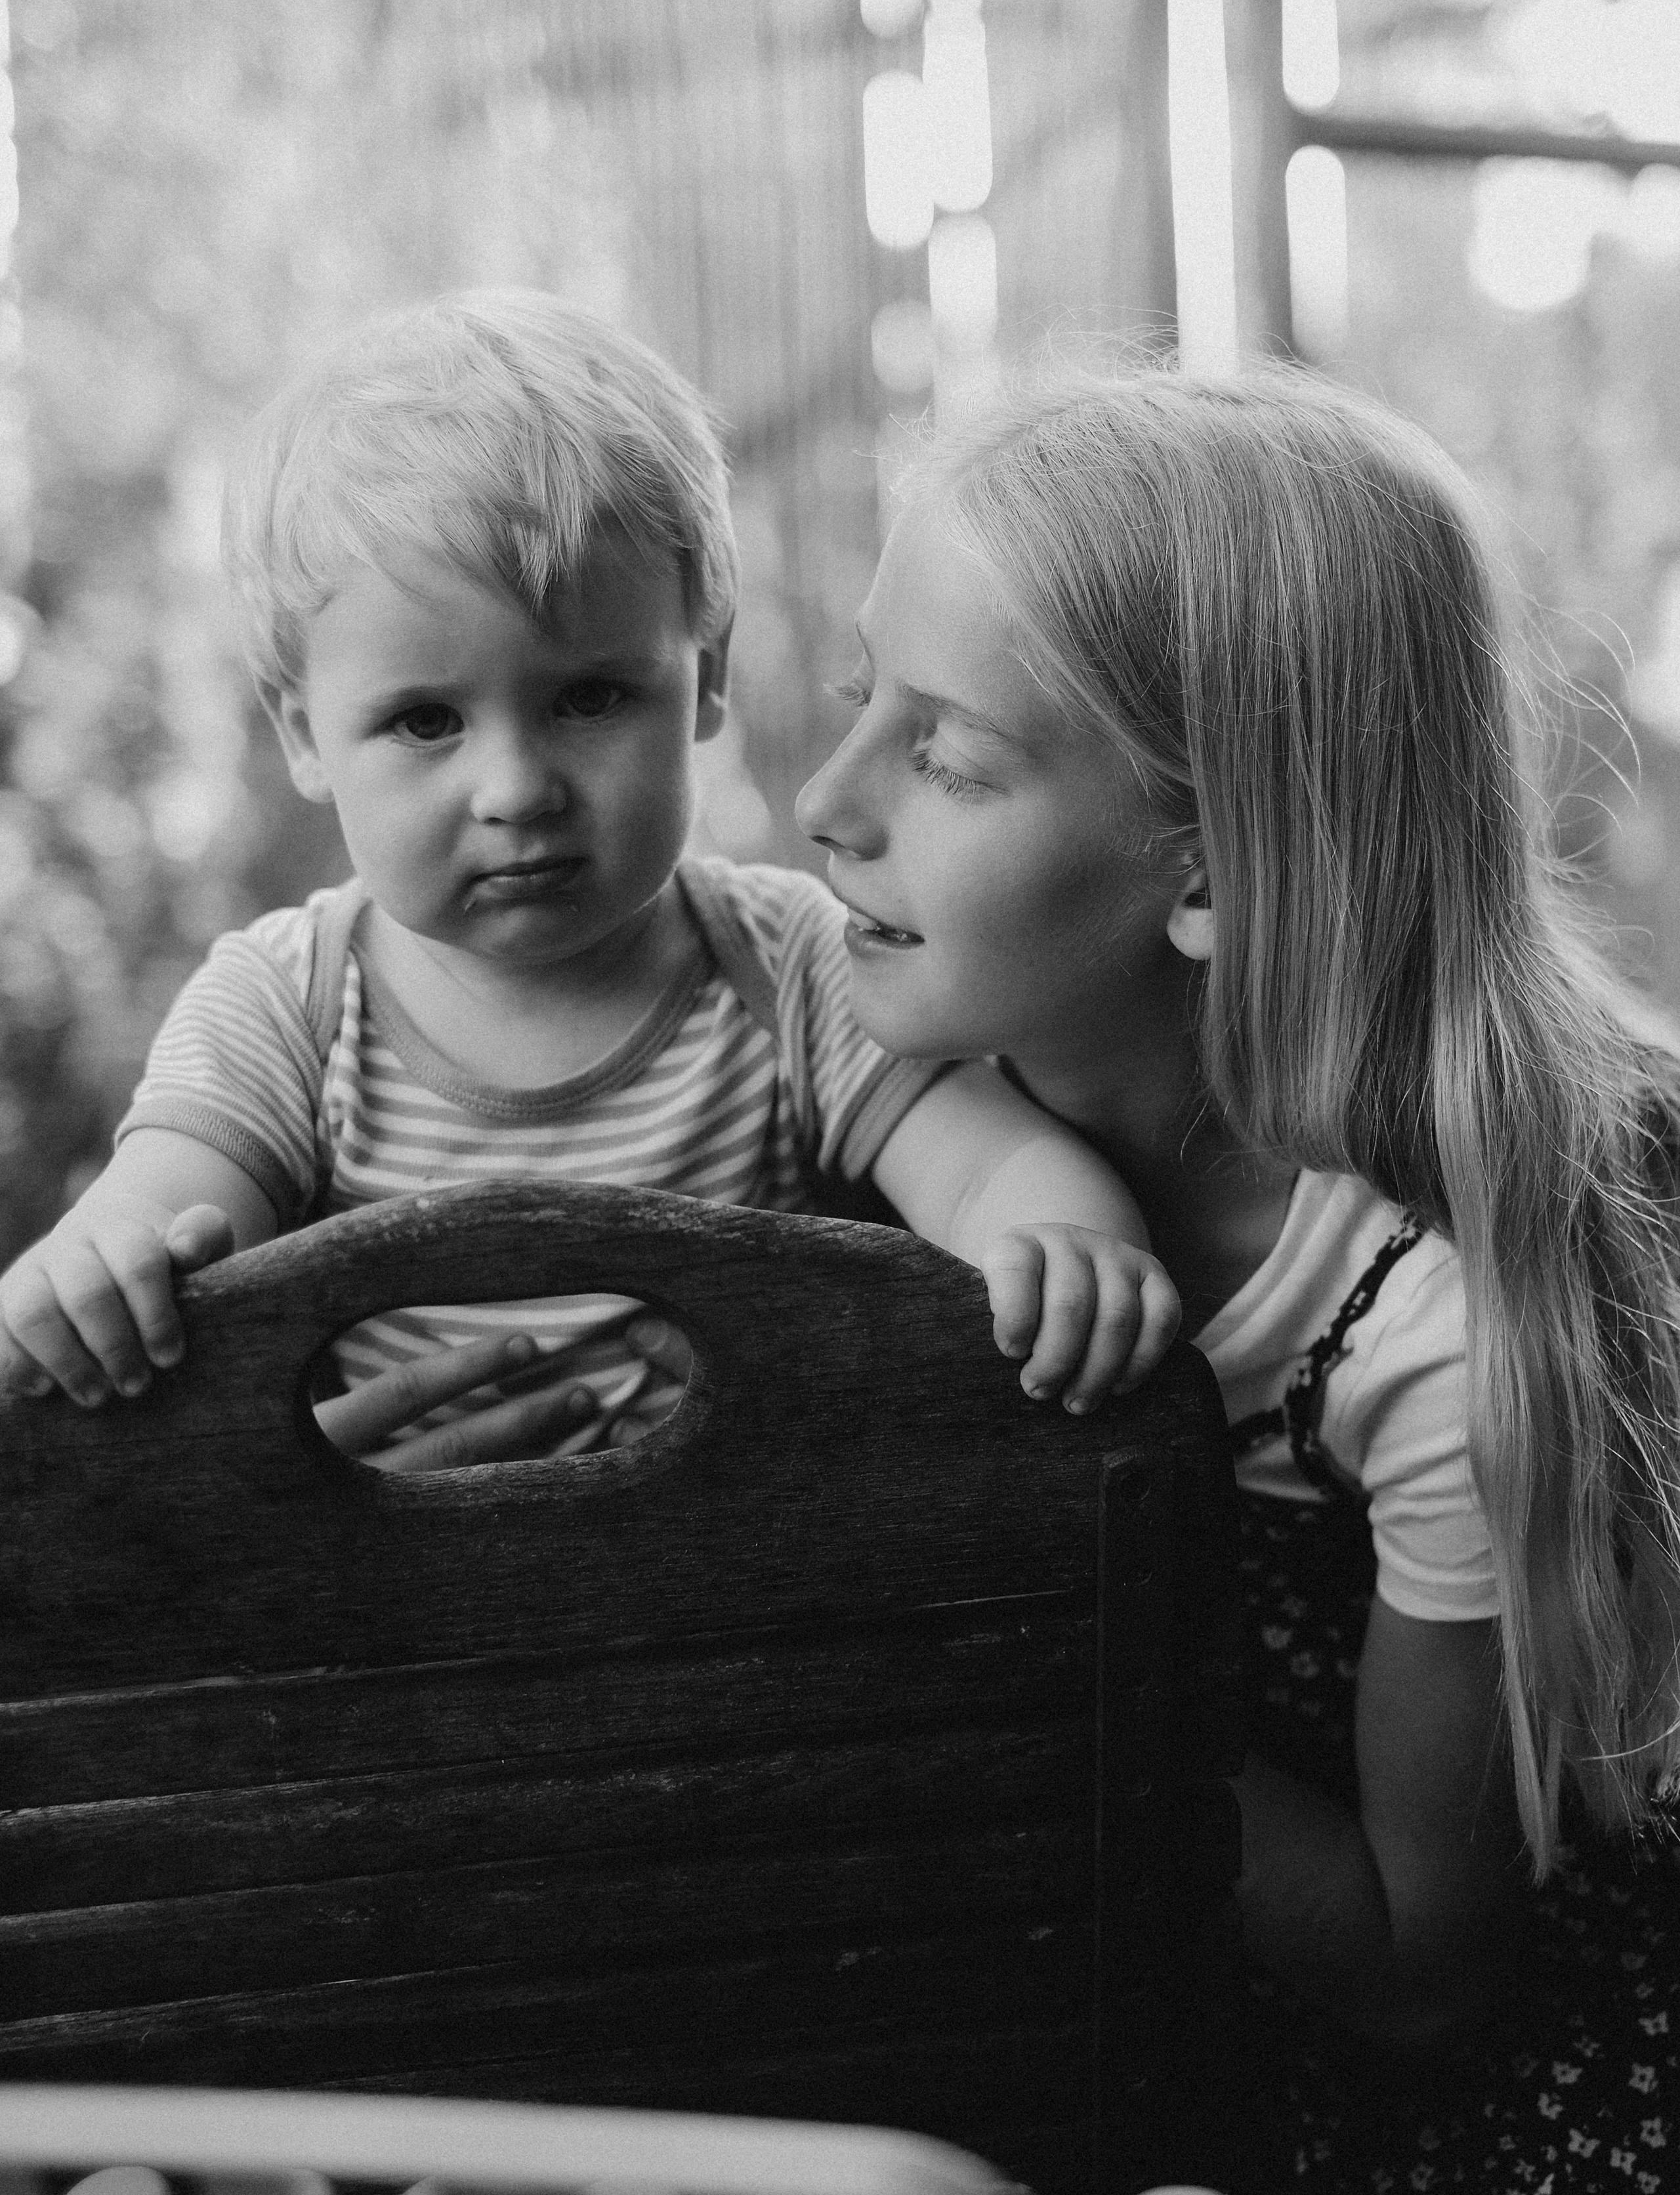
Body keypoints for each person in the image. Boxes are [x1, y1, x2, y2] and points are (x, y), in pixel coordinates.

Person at [789, 358, 1680, 2067]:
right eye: (855, 698)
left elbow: (1428, 1973)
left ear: (1207, 873)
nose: (828, 804)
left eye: (946, 758)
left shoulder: (1443, 1344)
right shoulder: (835, 1033)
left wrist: (1016, 1649)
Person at [0, 294, 1178, 1461]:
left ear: (705, 679)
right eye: (424, 722)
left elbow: (991, 1168)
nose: (517, 788)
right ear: (305, 734)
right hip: (397, 1607)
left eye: (591, 698)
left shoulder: (787, 969)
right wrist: (93, 1273)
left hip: (753, 1595)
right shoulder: (288, 1012)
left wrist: (1062, 1241)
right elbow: (154, 1232)